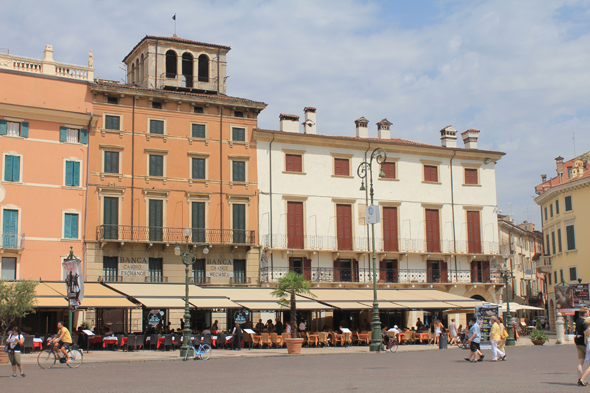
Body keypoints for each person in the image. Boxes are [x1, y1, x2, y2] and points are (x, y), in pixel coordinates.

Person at [576, 307, 590, 385]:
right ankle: (582, 379)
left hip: (578, 343)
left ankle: (579, 378)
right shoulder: (585, 322)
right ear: (585, 313)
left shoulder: (577, 321)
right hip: (585, 345)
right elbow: (586, 334)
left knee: (580, 362)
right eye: (588, 312)